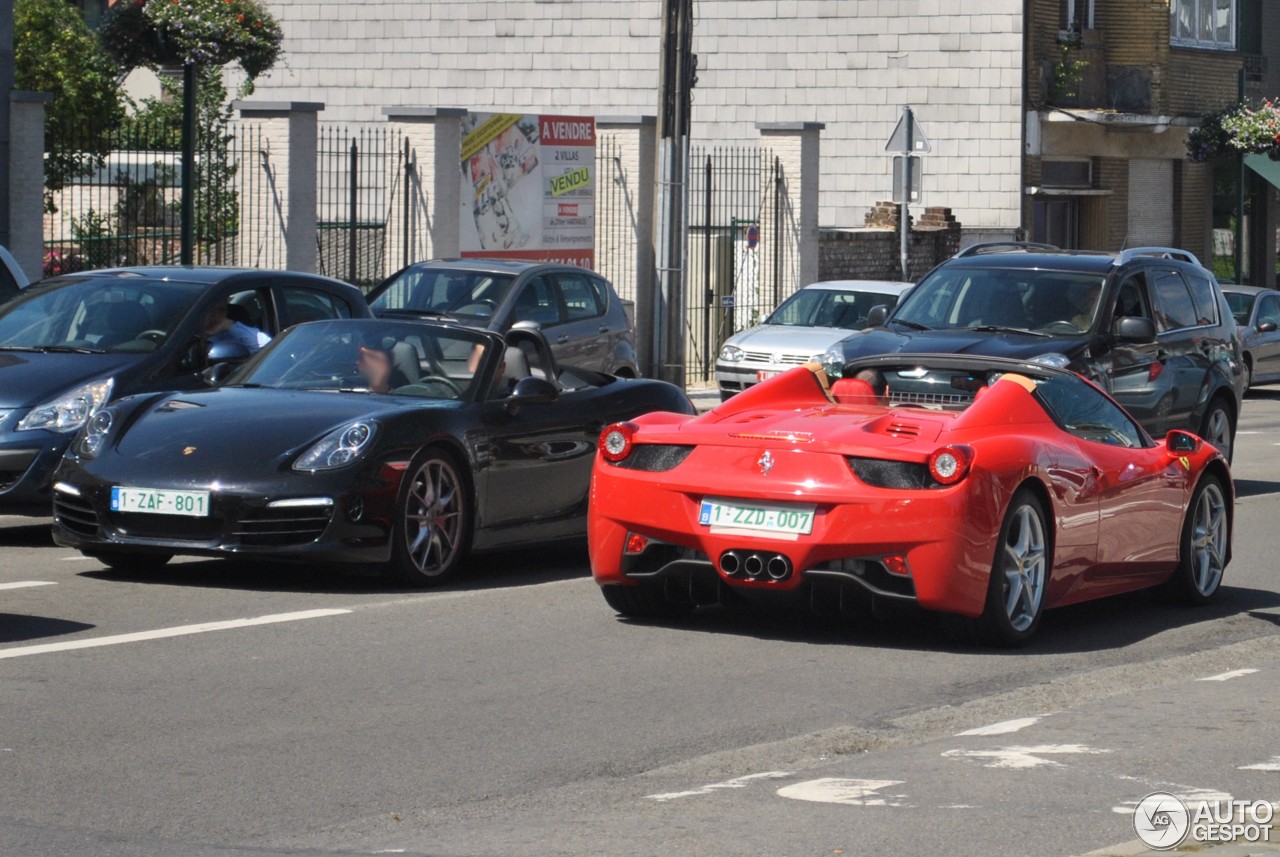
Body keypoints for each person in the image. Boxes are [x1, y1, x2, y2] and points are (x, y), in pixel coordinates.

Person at [203, 301, 270, 353]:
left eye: (220, 310)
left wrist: (229, 325)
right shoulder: (195, 333)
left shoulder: (235, 330)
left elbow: (265, 346)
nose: (216, 314)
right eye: (210, 310)